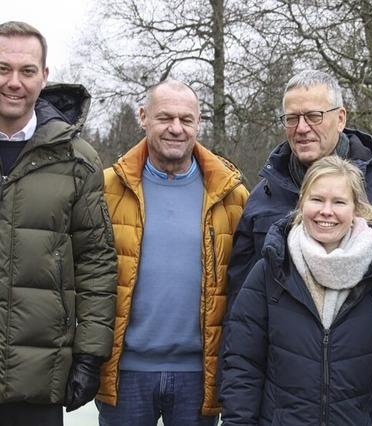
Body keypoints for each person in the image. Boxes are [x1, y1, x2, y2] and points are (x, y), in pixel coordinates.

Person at [220, 155, 372, 425]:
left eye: (339, 202)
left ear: (356, 209)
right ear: (302, 202)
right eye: (317, 200)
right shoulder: (271, 271)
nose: (326, 211)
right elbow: (243, 367)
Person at [225, 69, 372, 335]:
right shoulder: (263, 195)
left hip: (365, 366)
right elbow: (239, 301)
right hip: (281, 368)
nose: (301, 128)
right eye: (292, 118)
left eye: (313, 116)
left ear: (340, 118)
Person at [95, 79, 249, 425]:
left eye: (186, 119)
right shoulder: (106, 190)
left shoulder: (232, 195)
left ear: (199, 123)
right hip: (125, 372)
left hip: (200, 375)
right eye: (165, 118)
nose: (176, 129)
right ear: (143, 117)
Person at [0, 21, 117, 425]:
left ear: (44, 76)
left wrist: (90, 354)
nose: (14, 82)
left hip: (38, 381)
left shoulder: (77, 159)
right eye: (3, 69)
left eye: (27, 70)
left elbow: (97, 263)